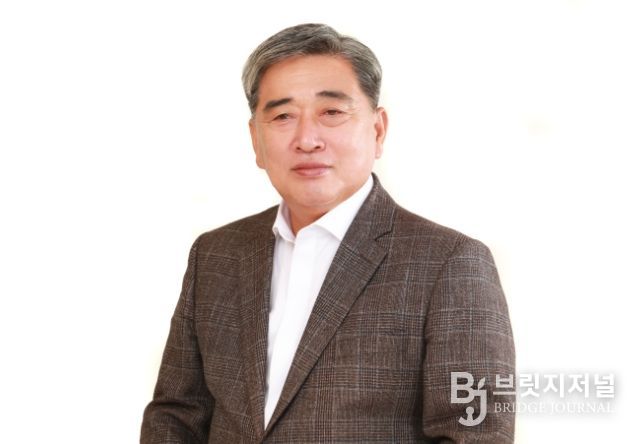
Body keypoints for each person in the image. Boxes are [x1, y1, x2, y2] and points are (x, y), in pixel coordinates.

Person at [141, 23, 515, 443]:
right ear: (256, 140)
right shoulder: (216, 254)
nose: (307, 139)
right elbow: (176, 415)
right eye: (282, 116)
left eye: (332, 113)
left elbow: (475, 434)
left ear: (378, 130)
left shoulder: (450, 263)